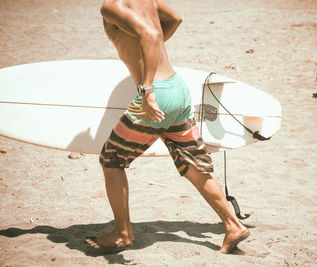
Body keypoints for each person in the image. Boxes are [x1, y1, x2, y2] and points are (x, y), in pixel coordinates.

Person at [87, 0, 249, 254]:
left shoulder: (111, 6)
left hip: (157, 95)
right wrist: (153, 52)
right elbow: (174, 20)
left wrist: (147, 86)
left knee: (112, 160)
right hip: (177, 88)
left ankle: (122, 233)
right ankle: (233, 225)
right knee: (192, 163)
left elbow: (151, 34)